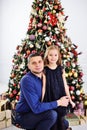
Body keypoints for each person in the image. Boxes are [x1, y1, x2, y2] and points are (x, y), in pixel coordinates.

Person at [15, 53, 70, 130]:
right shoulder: (27, 80)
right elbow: (36, 108)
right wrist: (59, 102)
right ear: (29, 66)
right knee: (52, 115)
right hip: (25, 115)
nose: (37, 65)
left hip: (39, 112)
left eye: (40, 61)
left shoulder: (46, 77)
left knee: (64, 123)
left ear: (43, 62)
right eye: (34, 63)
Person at [43, 45, 75, 130]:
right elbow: (43, 87)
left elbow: (65, 85)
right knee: (53, 120)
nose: (53, 57)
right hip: (50, 97)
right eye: (50, 55)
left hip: (61, 95)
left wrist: (70, 100)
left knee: (61, 118)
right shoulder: (45, 70)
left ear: (58, 56)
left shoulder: (61, 69)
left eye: (55, 55)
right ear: (47, 56)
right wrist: (41, 100)